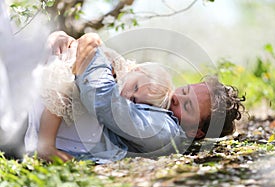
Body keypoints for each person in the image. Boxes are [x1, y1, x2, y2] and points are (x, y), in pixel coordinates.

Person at [24, 31, 244, 164]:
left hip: (29, 124)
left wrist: (91, 49)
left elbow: (102, 100)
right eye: (184, 91)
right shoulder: (160, 99)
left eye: (188, 106)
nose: (177, 98)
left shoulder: (166, 131)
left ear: (196, 131)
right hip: (31, 101)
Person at [36, 32, 174, 161]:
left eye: (133, 100)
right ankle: (46, 145)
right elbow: (91, 54)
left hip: (73, 77)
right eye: (135, 87)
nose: (127, 95)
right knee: (63, 94)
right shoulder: (117, 65)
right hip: (66, 71)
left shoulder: (119, 93)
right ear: (138, 70)